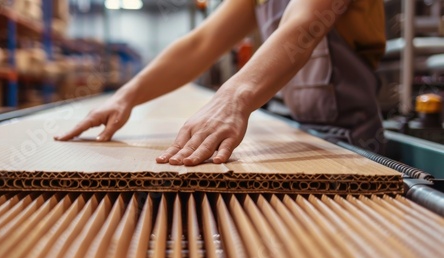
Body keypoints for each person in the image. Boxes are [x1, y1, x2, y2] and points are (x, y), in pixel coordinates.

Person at [55, 0, 386, 166]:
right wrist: (125, 95)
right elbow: (202, 43)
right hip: (300, 129)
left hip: (348, 138)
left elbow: (304, 27)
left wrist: (233, 99)